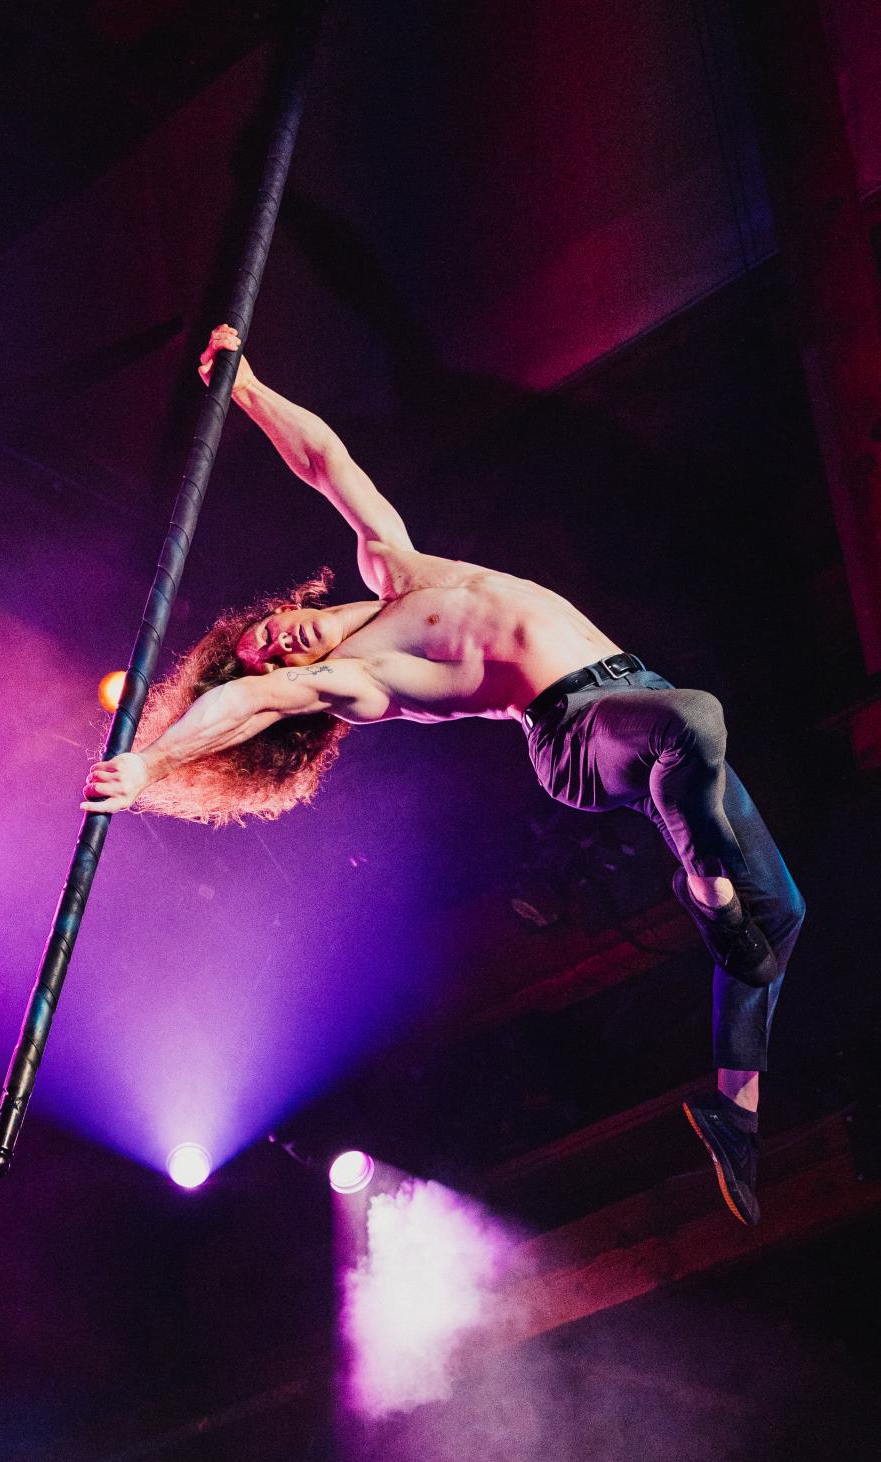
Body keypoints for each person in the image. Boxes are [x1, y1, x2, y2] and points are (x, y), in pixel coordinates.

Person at [81, 324, 806, 1225]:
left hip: (636, 694)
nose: (275, 651)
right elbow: (250, 707)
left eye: (261, 637)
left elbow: (327, 463)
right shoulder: (358, 682)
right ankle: (704, 890)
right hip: (580, 733)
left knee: (781, 911)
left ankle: (734, 1113)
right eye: (272, 665)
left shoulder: (397, 570)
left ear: (281, 609)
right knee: (695, 727)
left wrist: (249, 389)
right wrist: (150, 761)